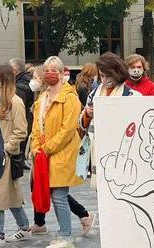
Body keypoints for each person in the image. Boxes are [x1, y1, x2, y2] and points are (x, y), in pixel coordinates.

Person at [29, 66, 95, 237]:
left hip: (62, 152)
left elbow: (67, 129)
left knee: (58, 195)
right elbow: (36, 126)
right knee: (54, 193)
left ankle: (65, 234)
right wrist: (36, 148)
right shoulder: (42, 98)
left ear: (60, 73)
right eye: (47, 70)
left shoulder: (70, 98)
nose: (50, 74)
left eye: (54, 70)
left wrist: (47, 148)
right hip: (44, 154)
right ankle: (82, 217)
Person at [80, 52, 141, 189]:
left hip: (121, 149)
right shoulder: (94, 92)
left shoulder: (131, 95)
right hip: (98, 147)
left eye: (109, 75)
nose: (105, 80)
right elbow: (82, 122)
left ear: (118, 73)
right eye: (102, 76)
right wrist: (88, 114)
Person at [0, 63, 31, 246]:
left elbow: (21, 131)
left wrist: (6, 149)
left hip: (6, 157)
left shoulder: (15, 102)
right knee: (10, 195)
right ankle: (24, 227)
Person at [9, 58, 35, 170]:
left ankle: (20, 161)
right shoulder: (27, 81)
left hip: (24, 118)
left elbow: (19, 106)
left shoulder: (20, 86)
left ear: (14, 71)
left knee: (21, 140)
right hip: (27, 117)